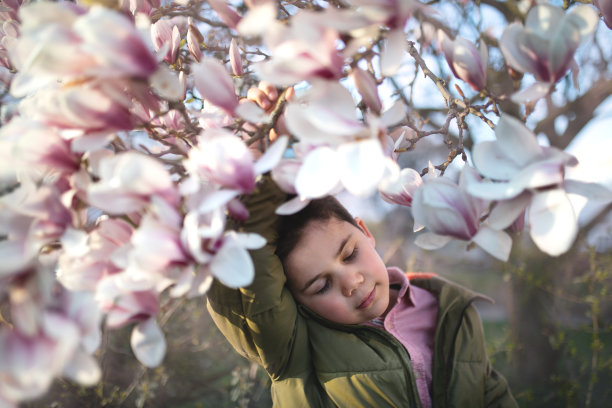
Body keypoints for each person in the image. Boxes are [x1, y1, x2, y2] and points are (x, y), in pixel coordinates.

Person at [206, 84, 518, 407]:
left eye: (350, 253)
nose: (351, 282)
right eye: (322, 285)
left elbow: (491, 396)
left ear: (365, 231)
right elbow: (249, 275)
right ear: (293, 299)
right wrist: (260, 164)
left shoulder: (449, 309)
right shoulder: (295, 349)